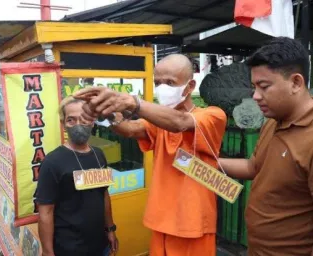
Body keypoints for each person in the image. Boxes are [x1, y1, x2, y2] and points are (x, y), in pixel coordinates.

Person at [74, 54, 227, 256]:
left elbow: (180, 122)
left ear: (190, 86)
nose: (162, 88)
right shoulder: (159, 121)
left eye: (170, 82)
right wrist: (107, 113)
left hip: (193, 224)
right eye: (158, 83)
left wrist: (134, 103)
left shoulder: (212, 115)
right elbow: (130, 129)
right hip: (161, 220)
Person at [218, 37, 313, 255]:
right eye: (254, 87)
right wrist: (206, 162)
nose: (255, 96)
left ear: (296, 83)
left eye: (264, 87)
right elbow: (254, 167)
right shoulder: (272, 120)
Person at [36, 97, 118, 256]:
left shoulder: (99, 155)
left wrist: (110, 229)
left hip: (100, 245)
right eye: (71, 120)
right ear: (63, 124)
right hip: (69, 249)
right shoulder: (52, 162)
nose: (78, 125)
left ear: (92, 121)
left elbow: (104, 194)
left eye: (84, 118)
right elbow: (45, 211)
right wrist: (47, 252)